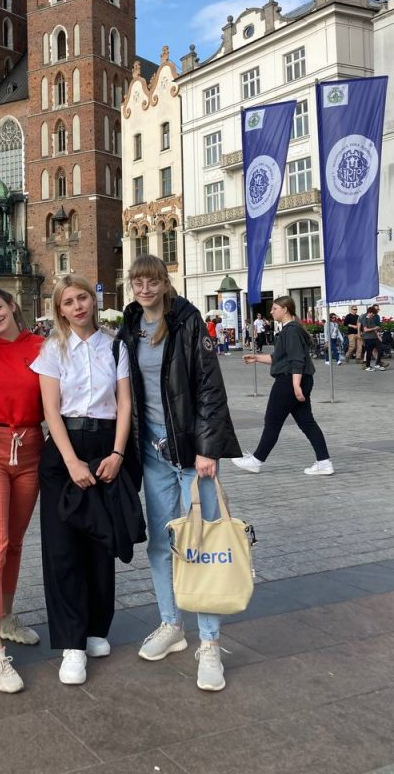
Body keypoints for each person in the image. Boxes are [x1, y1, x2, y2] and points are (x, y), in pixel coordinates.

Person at [118, 255, 241, 692]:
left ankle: (209, 643)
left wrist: (208, 449)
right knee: (161, 542)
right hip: (153, 451)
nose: (145, 289)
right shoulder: (131, 324)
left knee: (202, 542)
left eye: (152, 281)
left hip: (191, 451)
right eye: (138, 282)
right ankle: (171, 624)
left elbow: (210, 387)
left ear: (164, 283)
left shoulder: (187, 321)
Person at [31, 275, 133, 687]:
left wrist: (118, 454)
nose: (78, 306)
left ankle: (95, 627)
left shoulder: (115, 345)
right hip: (65, 448)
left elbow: (124, 401)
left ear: (94, 300)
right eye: (69, 301)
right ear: (60, 309)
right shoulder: (53, 349)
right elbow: (50, 410)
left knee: (100, 540)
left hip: (105, 443)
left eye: (83, 298)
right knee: (63, 545)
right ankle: (71, 643)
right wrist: (71, 461)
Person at [0, 286, 45, 694]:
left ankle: (6, 616)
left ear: (12, 305)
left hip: (31, 449)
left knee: (15, 542)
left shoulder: (42, 347)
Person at [234, 295, 334, 476]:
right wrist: (256, 358)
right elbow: (278, 358)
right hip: (297, 379)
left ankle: (256, 461)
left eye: (275, 308)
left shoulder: (291, 330)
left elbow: (297, 360)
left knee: (272, 420)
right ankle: (324, 462)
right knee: (307, 422)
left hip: (289, 380)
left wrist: (296, 385)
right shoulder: (291, 330)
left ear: (285, 309)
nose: (271, 312)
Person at [361, 306, 385, 372]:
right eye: (373, 313)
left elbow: (375, 329)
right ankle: (367, 366)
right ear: (370, 313)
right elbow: (365, 330)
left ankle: (377, 363)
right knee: (369, 353)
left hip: (375, 338)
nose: (373, 315)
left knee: (381, 349)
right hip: (368, 338)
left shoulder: (372, 319)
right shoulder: (364, 319)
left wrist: (378, 336)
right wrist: (374, 328)